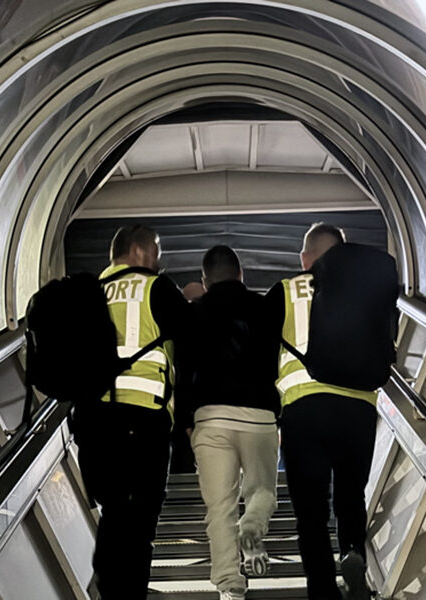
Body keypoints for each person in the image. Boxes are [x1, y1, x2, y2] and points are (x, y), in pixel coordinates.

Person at [267, 223, 389, 600]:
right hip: (358, 407)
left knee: (311, 511)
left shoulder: (285, 291)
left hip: (304, 409)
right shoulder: (363, 289)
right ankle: (352, 550)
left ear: (305, 258)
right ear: (343, 254)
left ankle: (322, 590)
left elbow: (262, 354)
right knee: (351, 493)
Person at [71, 225, 191, 600]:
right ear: (138, 251)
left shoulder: (86, 292)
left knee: (113, 512)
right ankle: (130, 593)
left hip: (93, 423)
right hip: (143, 418)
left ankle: (109, 588)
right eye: (156, 250)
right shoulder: (155, 288)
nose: (159, 259)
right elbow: (193, 342)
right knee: (140, 520)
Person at [180, 245, 280, 600]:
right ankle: (252, 524)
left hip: (210, 418)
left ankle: (230, 585)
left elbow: (182, 371)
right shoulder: (266, 308)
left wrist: (186, 421)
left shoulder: (193, 313)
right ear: (241, 274)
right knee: (262, 492)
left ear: (205, 280)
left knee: (219, 507)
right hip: (259, 415)